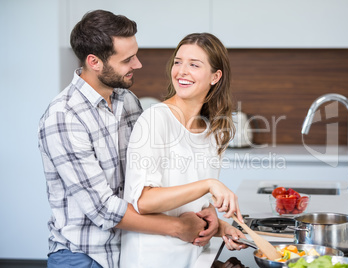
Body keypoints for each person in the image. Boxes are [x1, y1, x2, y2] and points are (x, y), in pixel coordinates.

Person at [38, 10, 221, 268]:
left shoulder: (127, 100)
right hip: (84, 256)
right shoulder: (63, 118)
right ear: (95, 62)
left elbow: (147, 176)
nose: (138, 64)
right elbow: (103, 209)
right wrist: (179, 226)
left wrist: (207, 214)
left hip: (127, 249)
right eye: (128, 59)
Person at [120, 33, 246, 268]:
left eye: (194, 65)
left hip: (195, 256)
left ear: (215, 76)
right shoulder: (155, 119)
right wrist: (209, 184)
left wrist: (218, 225)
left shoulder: (214, 131)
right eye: (178, 62)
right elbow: (143, 201)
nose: (181, 71)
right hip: (152, 259)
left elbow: (194, 203)